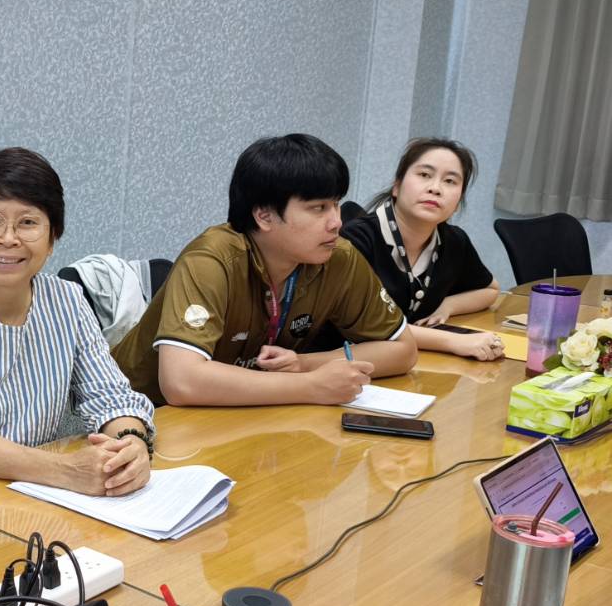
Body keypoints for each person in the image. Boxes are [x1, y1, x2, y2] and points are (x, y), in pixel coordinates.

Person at [0, 147, 155, 496]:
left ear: (52, 240)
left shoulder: (67, 301)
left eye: (28, 223)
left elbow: (111, 396)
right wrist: (66, 471)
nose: (8, 238)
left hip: (42, 496)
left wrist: (131, 444)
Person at [112, 134, 417, 406]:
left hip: (246, 409)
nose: (336, 222)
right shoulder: (211, 259)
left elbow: (403, 350)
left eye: (336, 204)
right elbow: (181, 382)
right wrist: (310, 386)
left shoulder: (338, 257)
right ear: (264, 216)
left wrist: (305, 365)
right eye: (318, 208)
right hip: (139, 416)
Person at [341, 138, 503, 361]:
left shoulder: (454, 240)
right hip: (352, 362)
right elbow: (369, 325)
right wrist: (455, 342)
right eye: (425, 175)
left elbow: (490, 290)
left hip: (414, 361)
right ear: (397, 186)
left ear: (458, 202)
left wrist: (447, 306)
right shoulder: (356, 238)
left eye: (450, 181)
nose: (435, 188)